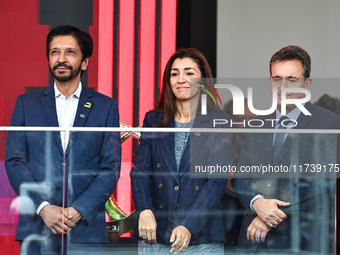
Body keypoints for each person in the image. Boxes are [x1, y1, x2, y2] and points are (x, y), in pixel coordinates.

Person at [5, 25, 121, 254]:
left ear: (85, 62)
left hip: (85, 230)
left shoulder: (105, 107)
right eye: (54, 52)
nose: (61, 59)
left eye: (70, 52)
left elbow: (111, 168)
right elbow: (14, 161)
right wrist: (43, 207)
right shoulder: (26, 105)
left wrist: (79, 209)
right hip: (37, 228)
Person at [232, 45, 340, 253]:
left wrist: (268, 216)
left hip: (303, 241)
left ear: (306, 84)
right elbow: (241, 177)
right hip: (256, 243)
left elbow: (319, 184)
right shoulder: (256, 124)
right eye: (277, 79)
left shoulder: (328, 123)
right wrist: (257, 203)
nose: (283, 87)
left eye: (292, 80)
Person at [130, 48, 231, 254]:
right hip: (156, 233)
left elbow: (216, 181)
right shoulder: (154, 120)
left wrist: (189, 226)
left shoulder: (218, 122)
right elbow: (140, 171)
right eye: (174, 73)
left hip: (202, 236)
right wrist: (145, 210)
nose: (181, 79)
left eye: (189, 73)